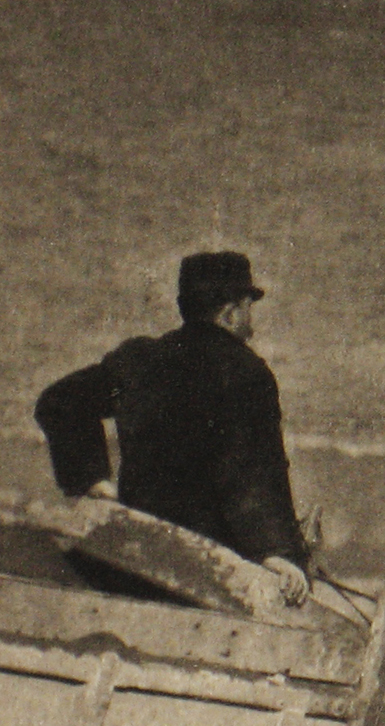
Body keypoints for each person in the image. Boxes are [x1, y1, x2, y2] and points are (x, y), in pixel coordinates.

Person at [35, 252, 311, 605]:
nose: (250, 321)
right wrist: (279, 554)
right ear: (229, 313)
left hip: (136, 552)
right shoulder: (247, 373)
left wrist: (95, 483)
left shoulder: (138, 360)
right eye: (247, 307)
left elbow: (61, 402)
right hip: (213, 571)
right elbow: (254, 474)